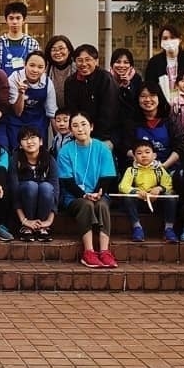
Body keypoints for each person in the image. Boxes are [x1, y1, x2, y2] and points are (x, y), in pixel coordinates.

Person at [57, 111, 118, 268]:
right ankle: (89, 251)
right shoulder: (65, 151)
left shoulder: (102, 148)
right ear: (71, 130)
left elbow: (107, 176)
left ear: (91, 127)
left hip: (99, 193)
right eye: (75, 126)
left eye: (83, 124)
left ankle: (104, 251)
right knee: (86, 205)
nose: (80, 129)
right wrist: (84, 195)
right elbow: (67, 181)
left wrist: (97, 193)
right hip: (74, 197)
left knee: (102, 205)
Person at [118, 139, 179, 243]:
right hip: (140, 201)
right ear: (134, 157)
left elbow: (169, 184)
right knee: (128, 198)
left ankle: (169, 229)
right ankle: (137, 228)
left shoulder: (159, 169)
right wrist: (136, 191)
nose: (144, 155)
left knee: (171, 198)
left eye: (147, 152)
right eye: (139, 153)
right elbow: (123, 186)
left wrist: (159, 189)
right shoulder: (131, 170)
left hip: (156, 201)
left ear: (154, 155)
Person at [64, 44, 119, 147]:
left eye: (88, 60)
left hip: (104, 136)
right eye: (80, 60)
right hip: (80, 134)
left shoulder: (105, 79)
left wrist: (95, 138)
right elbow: (72, 110)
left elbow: (109, 112)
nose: (84, 64)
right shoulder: (70, 82)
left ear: (96, 61)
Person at [9, 126, 59, 242]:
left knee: (46, 187)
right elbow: (14, 191)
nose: (29, 141)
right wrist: (24, 220)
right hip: (24, 208)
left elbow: (55, 190)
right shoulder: (15, 159)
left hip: (44, 209)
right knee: (31, 186)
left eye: (33, 137)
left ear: (41, 141)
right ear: (20, 145)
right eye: (25, 139)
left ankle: (42, 227)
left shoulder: (49, 159)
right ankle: (27, 228)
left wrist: (49, 221)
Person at [125, 82, 184, 173]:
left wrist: (164, 166)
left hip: (170, 169)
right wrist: (142, 164)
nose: (148, 99)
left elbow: (180, 145)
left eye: (152, 95)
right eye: (143, 96)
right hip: (140, 170)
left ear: (159, 97)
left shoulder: (170, 119)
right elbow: (126, 147)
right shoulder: (131, 122)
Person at [2, 50, 55, 149]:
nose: (35, 70)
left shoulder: (48, 83)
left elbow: (51, 112)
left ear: (45, 69)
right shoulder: (14, 78)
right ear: (25, 64)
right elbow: (17, 112)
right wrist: (21, 93)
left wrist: (59, 138)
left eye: (40, 67)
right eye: (32, 65)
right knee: (17, 152)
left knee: (39, 152)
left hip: (38, 122)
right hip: (16, 122)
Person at [145, 25, 184, 101]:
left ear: (179, 39)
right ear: (161, 42)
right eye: (165, 38)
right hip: (162, 104)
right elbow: (149, 86)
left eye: (172, 37)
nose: (169, 41)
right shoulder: (154, 62)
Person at [0, 1, 41, 76]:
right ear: (6, 20)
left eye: (18, 18)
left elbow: (36, 68)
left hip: (26, 83)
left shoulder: (32, 43)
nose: (14, 22)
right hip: (4, 83)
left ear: (24, 20)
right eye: (11, 18)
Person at [109, 47, 143, 128]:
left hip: (132, 123)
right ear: (112, 64)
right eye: (118, 62)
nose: (121, 65)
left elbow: (136, 103)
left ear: (131, 66)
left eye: (126, 62)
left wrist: (127, 85)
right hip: (110, 124)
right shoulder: (106, 78)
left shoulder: (136, 79)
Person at [44, 35, 76, 111]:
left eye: (61, 48)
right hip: (51, 112)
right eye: (53, 50)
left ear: (69, 50)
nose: (58, 52)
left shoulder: (76, 68)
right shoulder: (46, 68)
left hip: (73, 111)